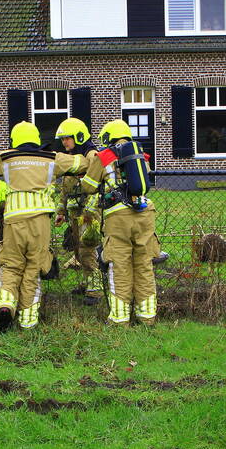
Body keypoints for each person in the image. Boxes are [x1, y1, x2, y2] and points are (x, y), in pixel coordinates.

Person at [0, 121, 87, 332]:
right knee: (33, 268)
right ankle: (28, 320)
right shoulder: (52, 158)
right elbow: (81, 163)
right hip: (40, 220)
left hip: (13, 219)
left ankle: (5, 305)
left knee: (11, 266)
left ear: (15, 140)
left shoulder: (6, 158)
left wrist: (11, 154)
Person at [80, 119, 159, 325]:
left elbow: (88, 186)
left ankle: (119, 318)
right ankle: (147, 316)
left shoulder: (103, 156)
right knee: (144, 264)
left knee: (120, 266)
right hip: (144, 213)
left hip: (118, 216)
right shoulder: (141, 155)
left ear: (107, 137)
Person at [54, 117, 102, 305]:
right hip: (74, 213)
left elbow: (97, 185)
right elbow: (65, 187)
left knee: (87, 250)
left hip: (89, 213)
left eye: (68, 138)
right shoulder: (72, 159)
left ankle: (96, 290)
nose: (64, 142)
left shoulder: (92, 157)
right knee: (77, 250)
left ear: (79, 137)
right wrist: (61, 211)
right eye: (63, 138)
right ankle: (87, 283)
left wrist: (90, 214)